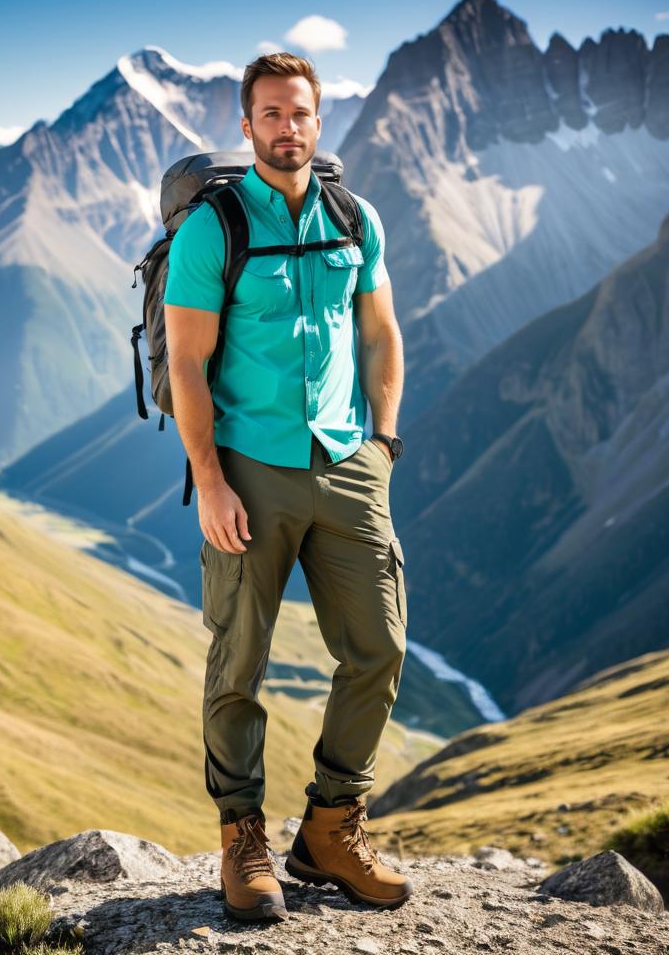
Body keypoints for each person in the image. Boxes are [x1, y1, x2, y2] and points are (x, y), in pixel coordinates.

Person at [163, 52, 413, 921]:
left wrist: (382, 442)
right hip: (251, 472)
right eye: (270, 114)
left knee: (378, 648)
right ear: (246, 125)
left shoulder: (354, 216)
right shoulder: (214, 230)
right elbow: (188, 365)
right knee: (240, 662)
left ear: (319, 118)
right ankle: (243, 837)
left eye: (300, 112)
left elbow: (380, 333)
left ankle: (332, 829)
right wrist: (210, 482)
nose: (287, 127)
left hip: (348, 464)